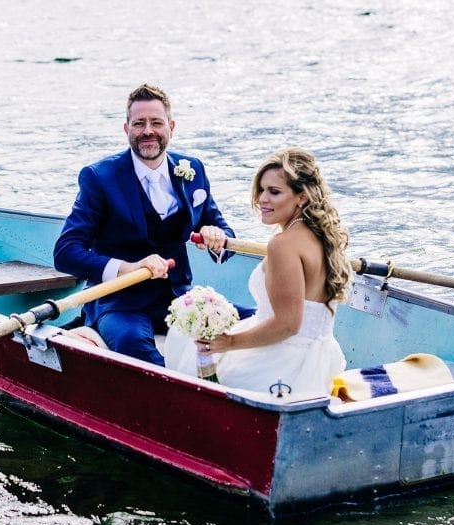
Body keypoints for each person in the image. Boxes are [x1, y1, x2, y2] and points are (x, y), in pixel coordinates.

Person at [54, 84, 234, 365]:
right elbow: (65, 252)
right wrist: (128, 268)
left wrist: (217, 235)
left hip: (178, 299)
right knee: (133, 344)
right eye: (139, 123)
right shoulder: (99, 177)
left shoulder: (192, 169)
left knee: (242, 322)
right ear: (126, 129)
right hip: (119, 303)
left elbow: (225, 235)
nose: (148, 131)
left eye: (156, 123)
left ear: (171, 127)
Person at [164, 148, 350, 395]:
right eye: (261, 190)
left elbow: (288, 325)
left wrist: (228, 343)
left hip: (283, 361)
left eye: (274, 192)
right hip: (321, 357)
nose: (262, 199)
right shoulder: (323, 237)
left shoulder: (283, 245)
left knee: (184, 341)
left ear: (302, 197)